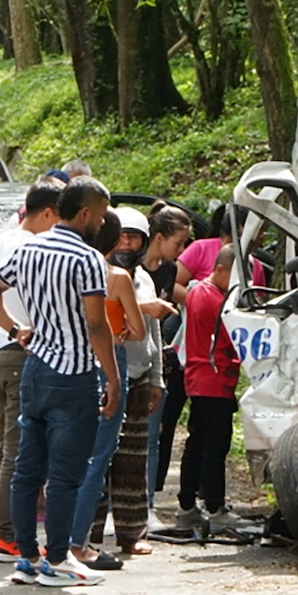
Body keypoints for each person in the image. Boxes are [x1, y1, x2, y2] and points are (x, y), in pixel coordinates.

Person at [0, 176, 120, 586]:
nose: (103, 221)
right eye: (102, 213)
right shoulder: (88, 258)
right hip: (73, 374)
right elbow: (96, 323)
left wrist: (15, 328)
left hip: (35, 369)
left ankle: (26, 558)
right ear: (86, 212)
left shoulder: (29, 249)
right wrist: (111, 378)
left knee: (27, 471)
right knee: (65, 476)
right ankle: (58, 559)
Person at [0, 179, 64, 564]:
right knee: (19, 452)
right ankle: (8, 536)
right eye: (59, 219)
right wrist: (16, 335)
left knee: (4, 449)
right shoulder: (32, 246)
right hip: (18, 353)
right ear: (46, 213)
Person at [67, 211, 146, 570]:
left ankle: (58, 538)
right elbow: (140, 329)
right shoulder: (117, 277)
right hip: (109, 357)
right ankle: (77, 542)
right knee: (97, 458)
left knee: (66, 457)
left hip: (72, 359)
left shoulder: (71, 270)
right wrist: (125, 327)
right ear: (115, 242)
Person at [105, 207, 174, 554]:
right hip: (107, 376)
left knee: (134, 461)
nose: (127, 243)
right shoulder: (104, 275)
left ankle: (132, 535)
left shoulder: (144, 279)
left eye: (134, 238)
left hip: (140, 375)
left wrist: (157, 378)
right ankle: (86, 534)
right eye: (122, 236)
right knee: (101, 461)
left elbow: (154, 332)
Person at [176, 245, 241, 532]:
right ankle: (215, 508)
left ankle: (187, 505)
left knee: (197, 444)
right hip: (215, 379)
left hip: (199, 377)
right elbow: (233, 338)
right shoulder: (217, 301)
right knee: (215, 446)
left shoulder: (196, 292)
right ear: (220, 270)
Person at [139, 204, 193, 516]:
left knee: (153, 436)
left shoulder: (170, 270)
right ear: (158, 237)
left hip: (156, 356)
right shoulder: (129, 264)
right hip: (129, 353)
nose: (182, 250)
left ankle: (147, 504)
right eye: (178, 243)